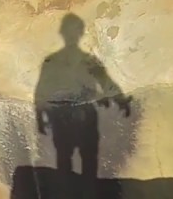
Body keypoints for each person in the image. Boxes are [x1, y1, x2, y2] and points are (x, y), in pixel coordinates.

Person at [34, 13, 131, 179]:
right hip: (73, 115)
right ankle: (81, 197)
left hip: (72, 115)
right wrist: (120, 100)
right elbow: (42, 91)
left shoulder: (60, 61)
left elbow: (106, 82)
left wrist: (40, 118)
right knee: (79, 159)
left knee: (73, 159)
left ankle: (77, 197)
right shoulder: (78, 61)